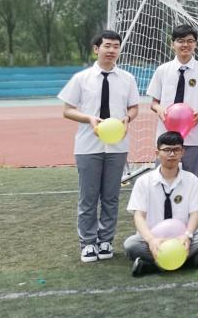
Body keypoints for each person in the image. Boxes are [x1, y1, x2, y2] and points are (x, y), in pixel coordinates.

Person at [59, 30, 141, 263]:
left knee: (111, 197)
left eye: (116, 46)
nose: (112, 50)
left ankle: (105, 241)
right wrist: (89, 119)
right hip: (88, 146)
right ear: (97, 49)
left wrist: (128, 118)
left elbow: (134, 107)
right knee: (88, 197)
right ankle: (87, 243)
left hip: (117, 146)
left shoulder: (127, 78)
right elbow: (67, 110)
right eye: (107, 45)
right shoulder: (81, 78)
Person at [124, 132, 198, 275]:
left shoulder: (191, 180)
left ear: (182, 152)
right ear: (157, 153)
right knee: (131, 244)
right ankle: (187, 260)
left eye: (176, 150)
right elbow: (138, 216)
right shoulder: (144, 181)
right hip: (154, 240)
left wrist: (187, 236)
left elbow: (195, 213)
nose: (171, 154)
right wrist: (151, 240)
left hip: (181, 238)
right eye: (166, 150)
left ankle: (151, 264)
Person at [146, 25, 198, 179]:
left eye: (190, 41)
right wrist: (160, 109)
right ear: (172, 44)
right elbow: (154, 103)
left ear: (196, 44)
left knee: (193, 178)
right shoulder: (162, 70)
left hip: (195, 135)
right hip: (165, 136)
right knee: (162, 178)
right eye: (180, 41)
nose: (185, 45)